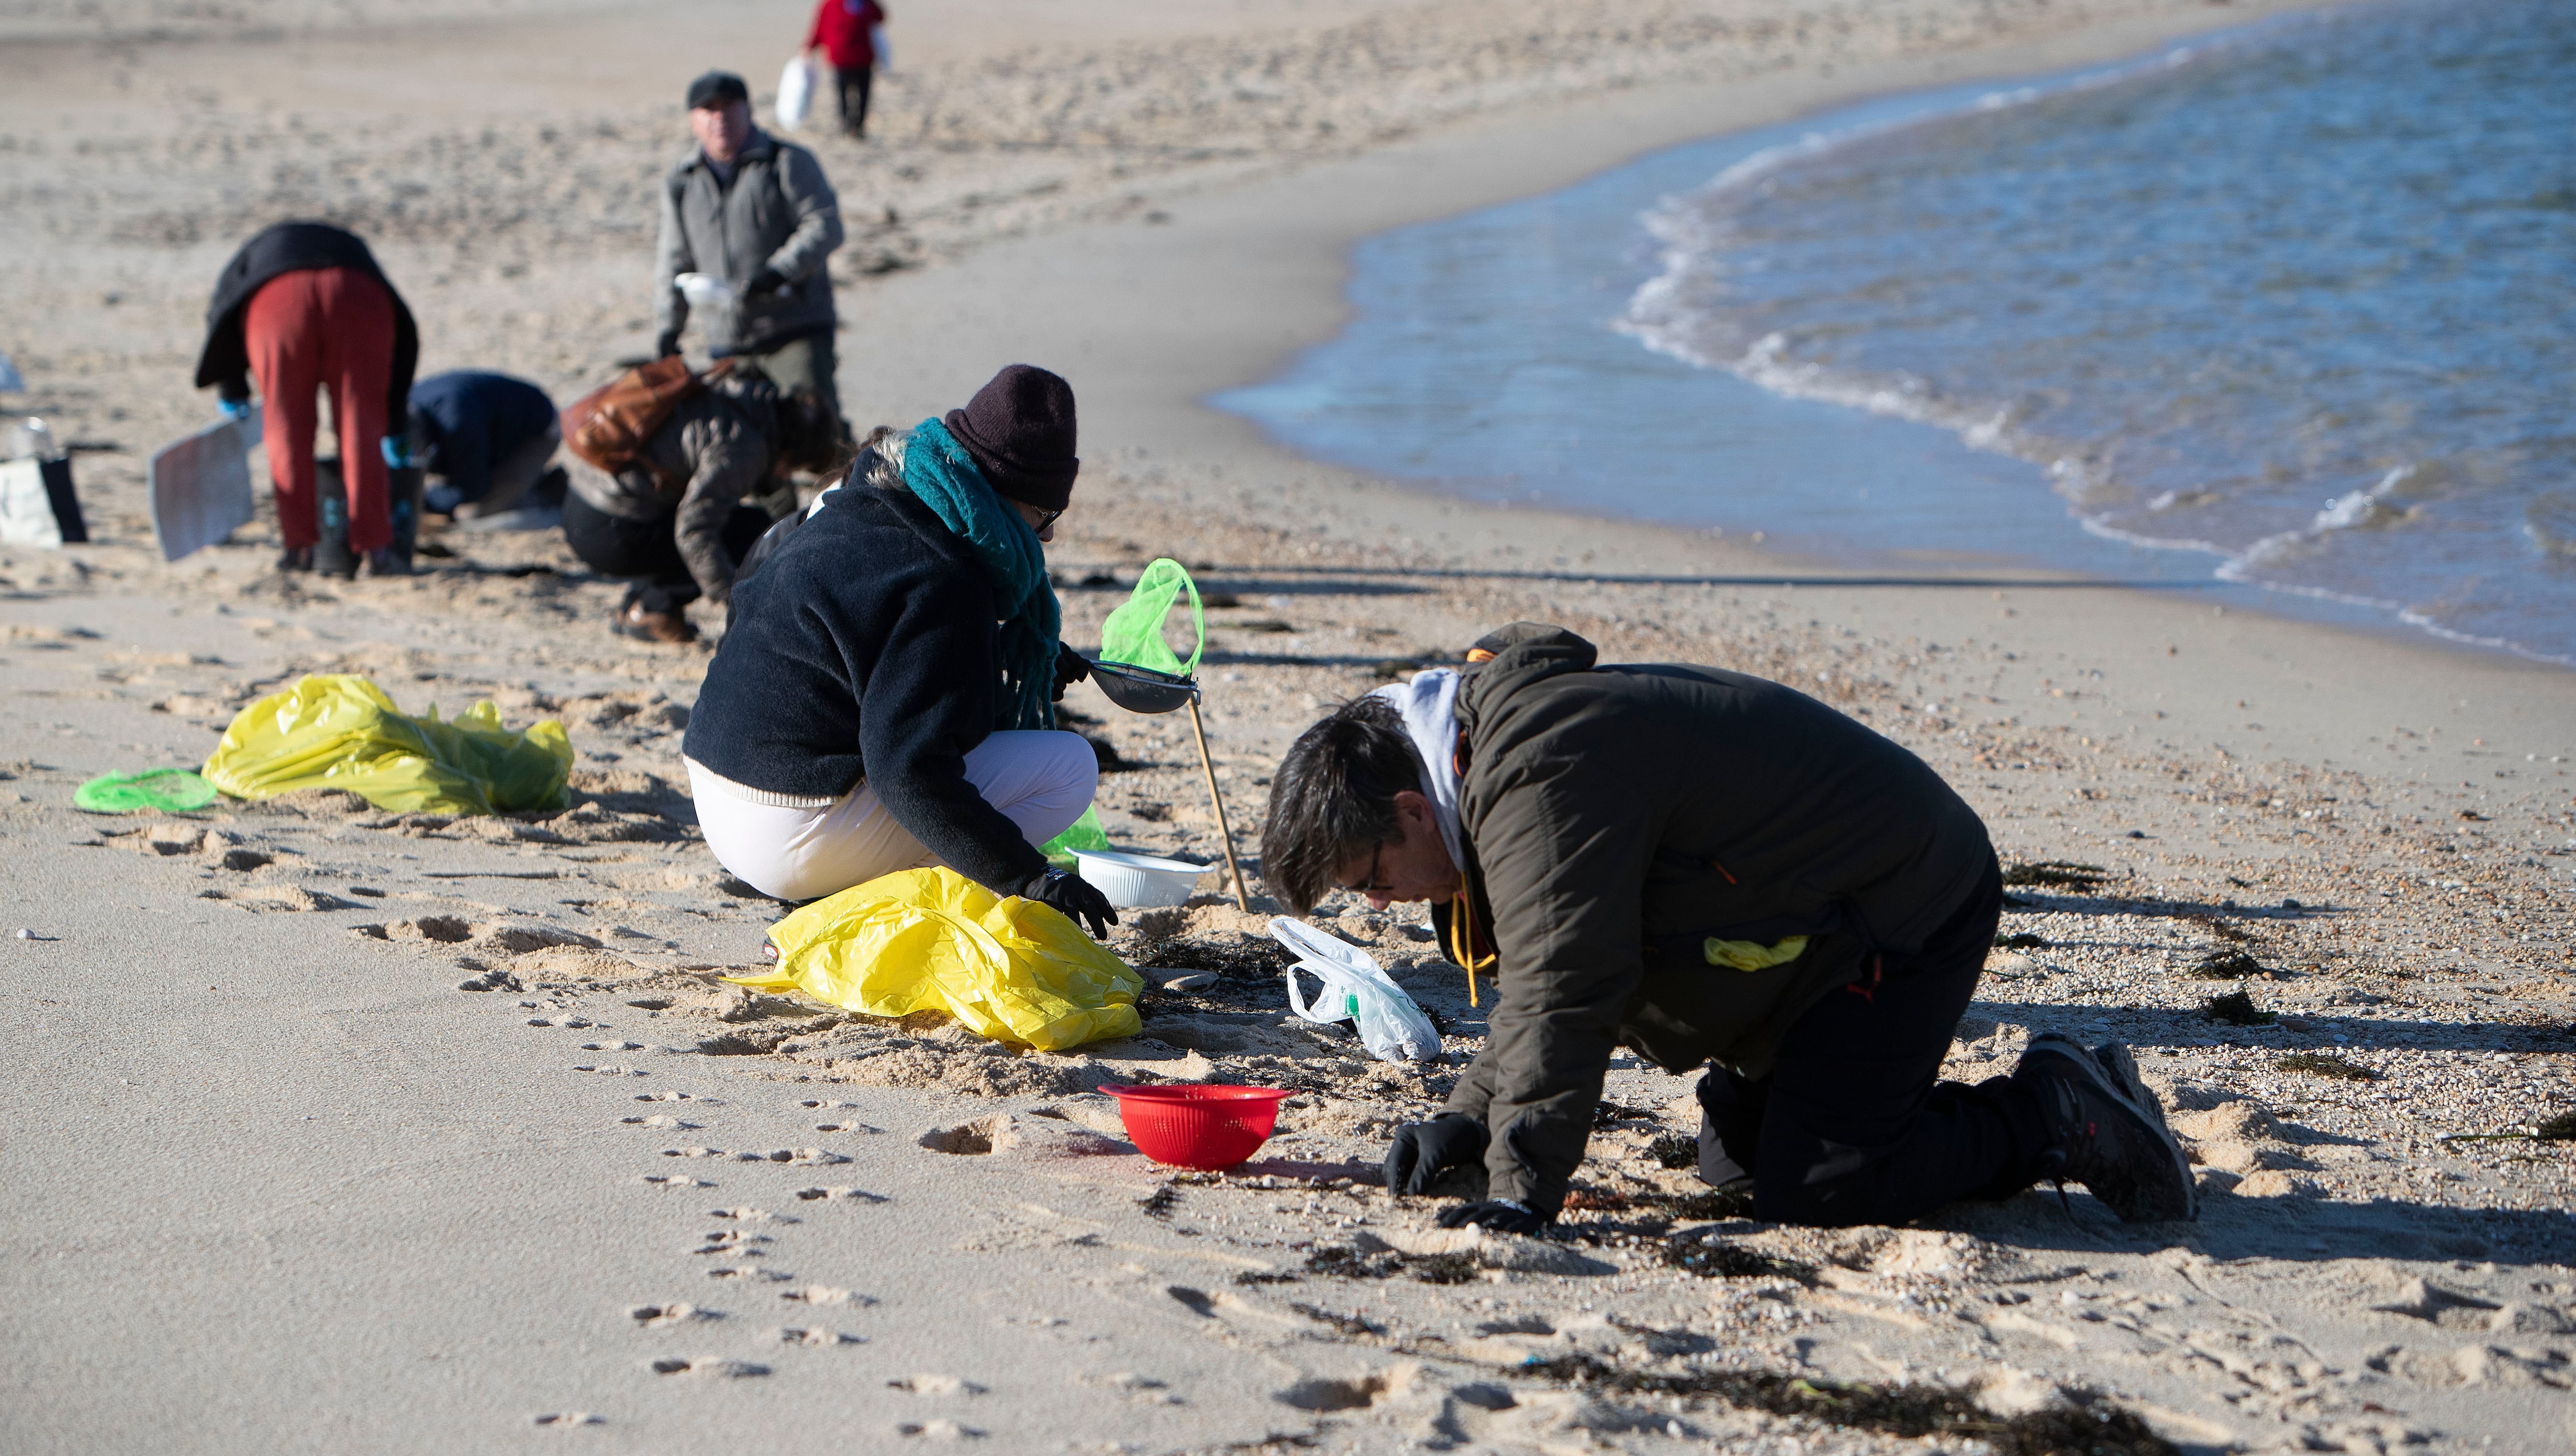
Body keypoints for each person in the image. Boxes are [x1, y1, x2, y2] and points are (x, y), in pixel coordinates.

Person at [1260, 624, 2197, 1235]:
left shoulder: (1537, 772)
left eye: (1370, 878)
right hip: (1802, 928)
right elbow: (1549, 973)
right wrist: (1467, 1115)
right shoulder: (1481, 762)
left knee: (1824, 1188)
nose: (1380, 904)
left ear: (1411, 809)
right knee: (1736, 1163)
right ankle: (1863, 1095)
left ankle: (2052, 1107)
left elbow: (1569, 984)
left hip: (1904, 903)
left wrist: (1518, 1189)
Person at [678, 365, 1114, 939]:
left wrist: (1005, 657)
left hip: (715, 785)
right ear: (1009, 498)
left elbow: (857, 644)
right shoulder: (946, 577)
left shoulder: (870, 495)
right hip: (783, 830)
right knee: (1068, 768)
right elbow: (907, 768)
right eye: (1044, 515)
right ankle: (855, 898)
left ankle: (844, 880)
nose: (1048, 537)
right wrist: (1027, 877)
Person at [195, 221, 421, 578]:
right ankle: (377, 552)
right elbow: (403, 342)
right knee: (363, 428)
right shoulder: (354, 250)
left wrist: (232, 388)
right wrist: (394, 423)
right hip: (359, 297)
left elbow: (222, 311)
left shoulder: (255, 252)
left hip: (277, 303)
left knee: (286, 428)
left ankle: (297, 550)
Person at [558, 366, 840, 643]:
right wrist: (737, 602)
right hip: (609, 532)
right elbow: (694, 531)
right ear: (789, 453)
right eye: (792, 468)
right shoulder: (745, 448)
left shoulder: (740, 397)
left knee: (723, 520)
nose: (785, 476)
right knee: (750, 532)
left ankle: (636, 605)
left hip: (581, 504)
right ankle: (653, 608)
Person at [653, 69, 847, 427]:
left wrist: (778, 273)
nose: (719, 117)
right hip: (728, 340)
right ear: (693, 120)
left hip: (795, 328)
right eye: (708, 109)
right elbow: (674, 261)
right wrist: (669, 329)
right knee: (755, 455)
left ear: (748, 110)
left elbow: (826, 225)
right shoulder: (682, 181)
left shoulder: (786, 161)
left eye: (729, 106)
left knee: (820, 436)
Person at [407, 369, 561, 529]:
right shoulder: (404, 409)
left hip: (539, 431)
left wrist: (418, 501)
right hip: (487, 432)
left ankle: (550, 495)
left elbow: (472, 488)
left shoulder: (456, 422)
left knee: (473, 514)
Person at [805, 0, 888, 138]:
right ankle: (845, 124)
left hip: (863, 57)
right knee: (842, 93)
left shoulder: (864, 0)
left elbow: (881, 17)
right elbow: (819, 27)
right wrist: (809, 46)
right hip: (839, 58)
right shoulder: (829, 2)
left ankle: (859, 126)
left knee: (863, 94)